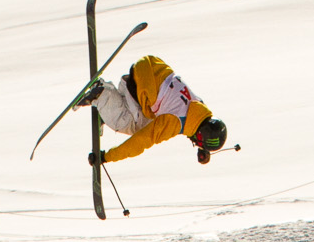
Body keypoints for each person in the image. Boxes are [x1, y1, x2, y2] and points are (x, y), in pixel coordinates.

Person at [81, 57, 229, 165]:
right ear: (201, 136)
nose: (196, 143)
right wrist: (107, 157)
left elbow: (200, 125)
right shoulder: (174, 122)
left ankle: (113, 100)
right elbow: (142, 140)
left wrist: (205, 148)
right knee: (137, 127)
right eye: (199, 142)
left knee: (147, 115)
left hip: (151, 68)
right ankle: (102, 96)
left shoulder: (199, 106)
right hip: (144, 84)